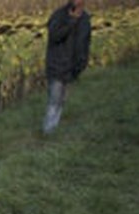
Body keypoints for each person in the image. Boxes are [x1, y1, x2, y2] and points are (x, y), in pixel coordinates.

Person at [42, 0, 92, 134]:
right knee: (54, 100)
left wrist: (82, 62)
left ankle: (53, 130)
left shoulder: (86, 18)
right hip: (57, 65)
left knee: (62, 100)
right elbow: (55, 36)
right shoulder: (59, 15)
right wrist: (72, 20)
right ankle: (48, 132)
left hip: (73, 67)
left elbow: (85, 42)